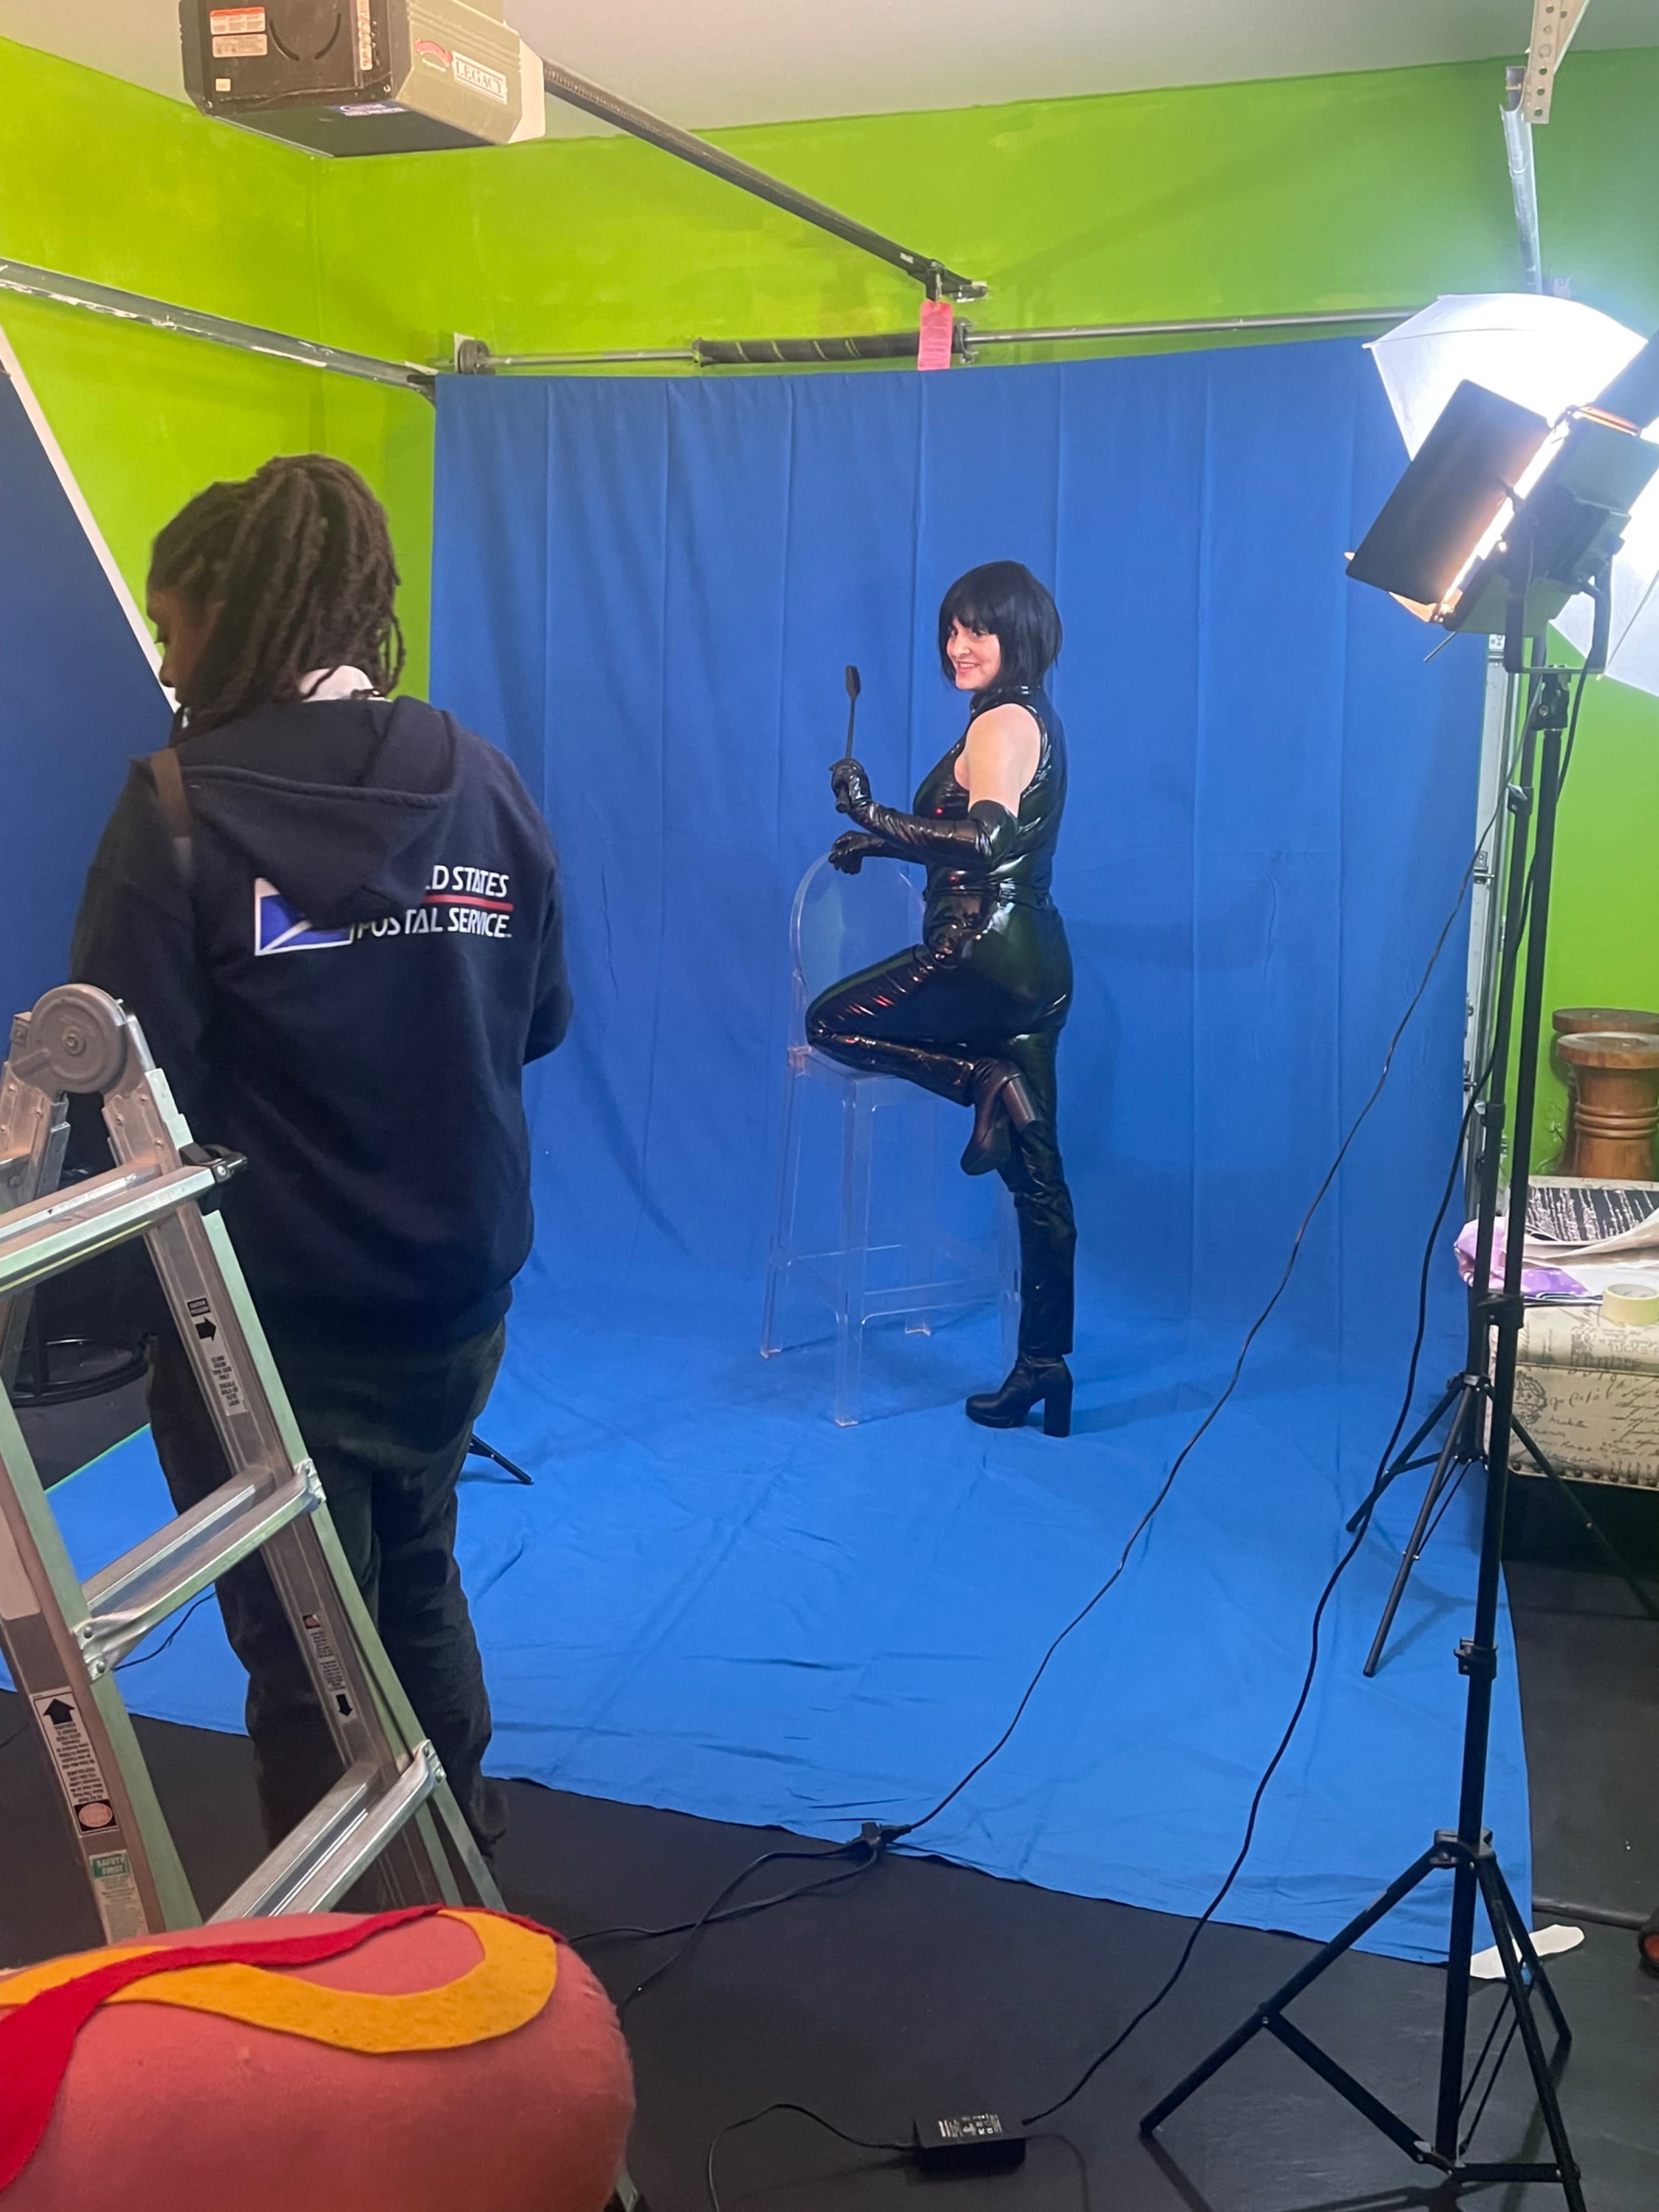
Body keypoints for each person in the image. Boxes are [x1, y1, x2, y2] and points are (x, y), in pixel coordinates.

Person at [70, 454, 570, 1859]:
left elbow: (122, 1099)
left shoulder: (176, 809)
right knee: (414, 1586)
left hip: (269, 1324)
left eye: (174, 629)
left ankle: (350, 1986)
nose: (168, 664)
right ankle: (463, 1904)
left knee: (305, 1663)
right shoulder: (485, 783)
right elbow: (537, 1021)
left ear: (236, 616)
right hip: (453, 1303)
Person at [807, 560, 1076, 1437]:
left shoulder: (1002, 719)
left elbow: (983, 838)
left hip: (978, 951)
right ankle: (1045, 1365)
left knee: (831, 1022)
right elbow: (985, 849)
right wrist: (880, 847)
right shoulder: (1036, 720)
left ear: (1019, 635)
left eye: (979, 630)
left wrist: (879, 813)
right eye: (952, 629)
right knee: (1039, 1177)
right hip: (1036, 961)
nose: (960, 645)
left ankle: (979, 1083)